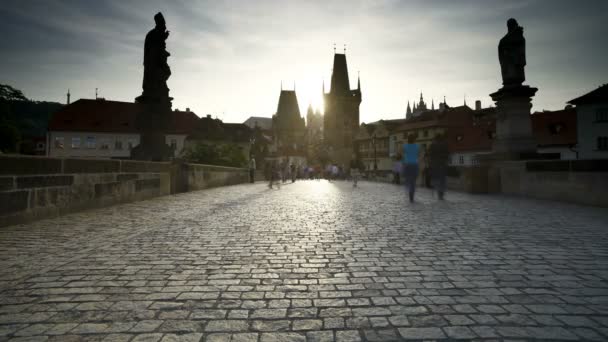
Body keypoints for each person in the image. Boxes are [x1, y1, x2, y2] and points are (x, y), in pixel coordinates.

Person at [429, 134, 450, 200]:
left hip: (435, 164)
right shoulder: (445, 144)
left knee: (437, 178)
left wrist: (431, 162)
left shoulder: (433, 145)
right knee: (442, 179)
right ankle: (441, 194)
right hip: (443, 163)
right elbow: (447, 153)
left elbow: (430, 154)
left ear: (436, 139)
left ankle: (439, 192)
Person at [402, 134, 420, 203]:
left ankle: (409, 191)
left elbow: (401, 154)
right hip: (414, 164)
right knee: (413, 180)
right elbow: (420, 155)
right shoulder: (417, 146)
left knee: (408, 179)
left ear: (408, 140)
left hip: (407, 164)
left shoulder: (405, 146)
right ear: (414, 140)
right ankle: (411, 194)